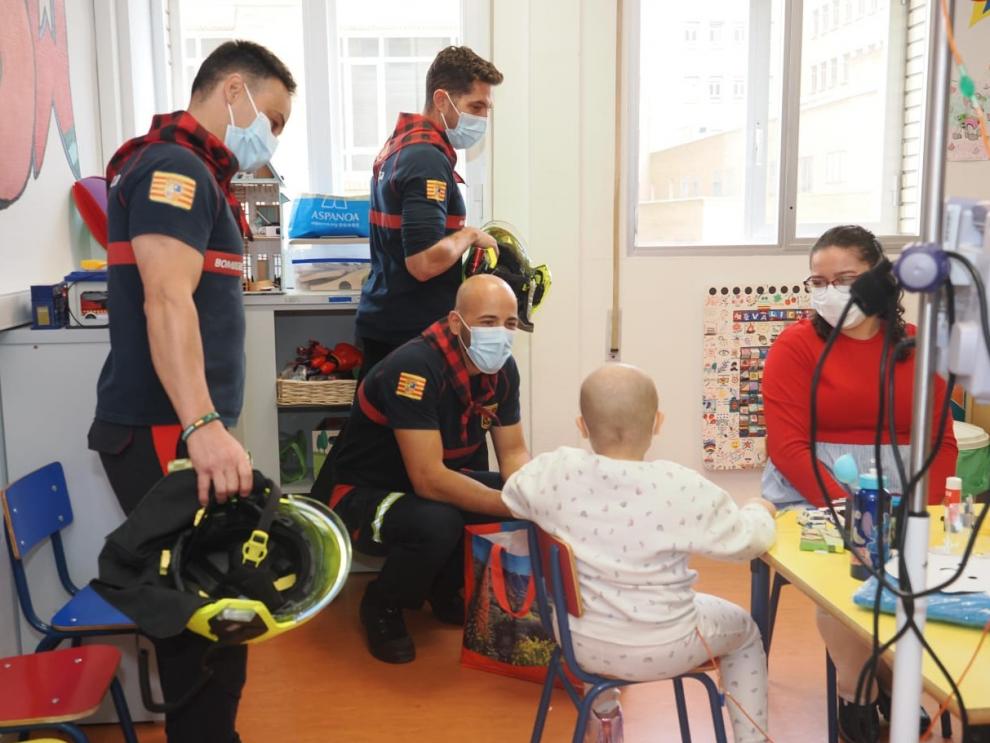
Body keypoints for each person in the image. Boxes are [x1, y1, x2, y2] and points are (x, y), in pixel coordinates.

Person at [86, 40, 295, 743]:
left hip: (182, 424)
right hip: (162, 427)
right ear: (231, 89)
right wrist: (203, 423)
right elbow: (166, 301)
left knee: (211, 617)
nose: (270, 135)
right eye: (272, 117)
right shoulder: (174, 167)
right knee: (199, 624)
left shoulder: (201, 172)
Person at [501, 364, 777, 743]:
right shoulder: (681, 486)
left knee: (595, 597)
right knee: (746, 632)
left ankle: (606, 717)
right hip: (667, 645)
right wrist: (760, 510)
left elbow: (514, 494)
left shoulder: (556, 472)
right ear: (658, 422)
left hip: (578, 642)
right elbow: (748, 542)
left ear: (582, 425)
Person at [762, 224, 958, 743]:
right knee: (845, 582)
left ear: (881, 282)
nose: (830, 291)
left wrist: (927, 514)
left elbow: (940, 441)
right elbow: (787, 448)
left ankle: (899, 681)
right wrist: (853, 514)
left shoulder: (918, 346)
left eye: (845, 278)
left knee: (919, 573)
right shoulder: (795, 346)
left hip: (906, 488)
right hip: (813, 490)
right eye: (818, 281)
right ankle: (858, 693)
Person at [320, 274, 531, 663]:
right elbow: (429, 479)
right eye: (487, 322)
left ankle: (442, 588)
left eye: (510, 323)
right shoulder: (414, 369)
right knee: (439, 522)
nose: (500, 333)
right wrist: (512, 505)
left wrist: (531, 495)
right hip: (366, 496)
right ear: (456, 322)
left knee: (518, 496)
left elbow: (514, 452)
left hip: (427, 490)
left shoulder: (504, 371)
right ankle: (381, 605)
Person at [355, 46, 504, 380]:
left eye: (487, 108)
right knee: (412, 429)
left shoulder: (401, 144)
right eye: (475, 106)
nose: (482, 118)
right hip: (409, 331)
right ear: (441, 99)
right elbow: (422, 263)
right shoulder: (426, 158)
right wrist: (470, 235)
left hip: (388, 318)